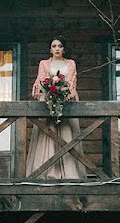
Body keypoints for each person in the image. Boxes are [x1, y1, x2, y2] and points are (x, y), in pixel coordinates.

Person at [25, 37, 87, 179]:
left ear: (64, 48)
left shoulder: (70, 63)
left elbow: (72, 83)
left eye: (60, 46)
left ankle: (69, 173)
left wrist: (62, 90)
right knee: (48, 134)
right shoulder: (44, 63)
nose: (57, 48)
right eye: (54, 46)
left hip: (65, 102)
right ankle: (47, 171)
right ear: (50, 49)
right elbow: (41, 81)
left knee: (66, 134)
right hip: (49, 102)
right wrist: (51, 90)